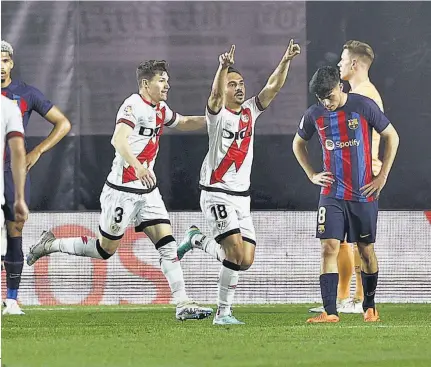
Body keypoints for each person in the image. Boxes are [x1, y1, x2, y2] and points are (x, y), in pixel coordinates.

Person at [26, 60, 213, 320]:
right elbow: (118, 139)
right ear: (146, 84)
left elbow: (182, 121)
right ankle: (51, 244)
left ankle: (183, 304)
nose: (167, 84)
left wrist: (214, 121)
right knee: (104, 251)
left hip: (147, 190)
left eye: (167, 79)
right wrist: (137, 166)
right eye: (162, 80)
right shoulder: (132, 105)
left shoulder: (161, 109)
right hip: (122, 191)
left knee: (167, 245)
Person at [177, 41, 301, 325]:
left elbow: (272, 88)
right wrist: (222, 68)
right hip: (216, 192)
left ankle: (196, 239)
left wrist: (285, 59)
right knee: (233, 251)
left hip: (241, 197)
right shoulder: (217, 115)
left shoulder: (249, 112)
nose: (240, 88)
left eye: (241, 83)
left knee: (245, 260)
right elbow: (214, 96)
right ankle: (223, 313)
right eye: (233, 84)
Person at [293, 66, 399, 323]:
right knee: (328, 247)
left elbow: (391, 136)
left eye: (329, 96)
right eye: (321, 99)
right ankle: (330, 311)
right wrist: (312, 174)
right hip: (331, 193)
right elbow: (298, 143)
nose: (326, 103)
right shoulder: (314, 114)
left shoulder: (364, 106)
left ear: (340, 86)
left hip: (363, 192)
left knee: (365, 251)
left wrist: (382, 176)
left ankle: (370, 306)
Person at [309, 40, 385, 314]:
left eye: (343, 60)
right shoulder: (348, 95)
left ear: (354, 64)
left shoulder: (366, 97)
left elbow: (379, 136)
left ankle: (360, 300)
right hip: (343, 182)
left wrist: (376, 171)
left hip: (363, 179)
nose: (339, 65)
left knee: (361, 245)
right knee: (336, 241)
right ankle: (342, 299)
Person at [1, 40, 71, 315]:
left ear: (11, 64)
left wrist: (38, 151)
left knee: (14, 230)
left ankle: (12, 300)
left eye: (4, 60)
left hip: (12, 174)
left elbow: (63, 123)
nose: (1, 65)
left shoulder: (24, 93)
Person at [1, 95, 29, 314]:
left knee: (11, 238)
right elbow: (18, 151)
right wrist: (19, 197)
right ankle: (10, 301)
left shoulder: (11, 105)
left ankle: (11, 299)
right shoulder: (8, 106)